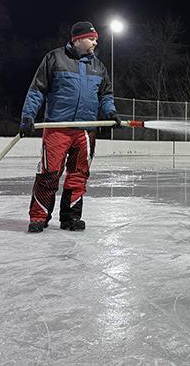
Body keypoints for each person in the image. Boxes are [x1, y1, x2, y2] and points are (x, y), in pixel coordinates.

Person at [19, 21, 120, 233]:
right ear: (78, 39)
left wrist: (110, 112)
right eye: (91, 38)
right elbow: (37, 90)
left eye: (95, 39)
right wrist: (28, 116)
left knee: (78, 174)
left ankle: (71, 218)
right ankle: (39, 217)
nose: (95, 42)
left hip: (85, 130)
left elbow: (106, 95)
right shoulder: (54, 59)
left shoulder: (99, 67)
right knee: (49, 173)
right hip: (58, 128)